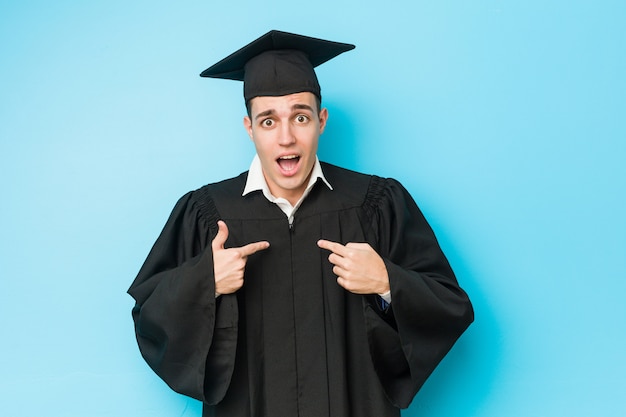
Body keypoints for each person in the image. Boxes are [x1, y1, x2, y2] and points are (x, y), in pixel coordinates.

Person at [128, 30, 473, 417]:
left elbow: (450, 306)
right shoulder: (207, 213)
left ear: (321, 121)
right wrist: (203, 282)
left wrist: (388, 283)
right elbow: (150, 316)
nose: (287, 138)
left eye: (301, 117)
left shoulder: (375, 205)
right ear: (249, 128)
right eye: (269, 121)